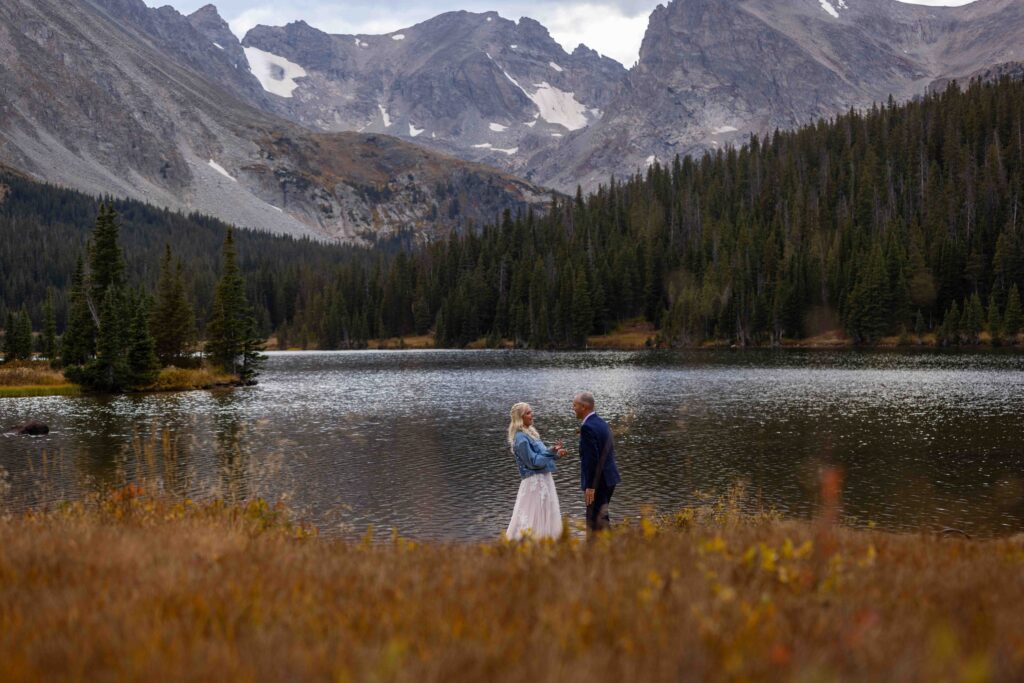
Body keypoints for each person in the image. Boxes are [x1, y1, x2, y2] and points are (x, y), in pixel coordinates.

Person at [505, 402, 567, 541]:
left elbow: (542, 456)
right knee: (534, 515)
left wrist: (556, 453)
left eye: (531, 412)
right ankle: (529, 546)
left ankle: (546, 545)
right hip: (534, 483)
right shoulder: (521, 439)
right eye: (528, 413)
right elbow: (533, 462)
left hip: (543, 480)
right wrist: (551, 451)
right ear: (520, 418)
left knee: (546, 515)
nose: (532, 415)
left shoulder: (531, 433)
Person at [572, 391, 621, 535]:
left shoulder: (587, 427)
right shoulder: (601, 422)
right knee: (602, 519)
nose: (572, 408)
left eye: (574, 405)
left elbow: (591, 459)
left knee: (593, 522)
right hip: (610, 478)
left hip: (599, 482)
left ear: (584, 407)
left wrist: (590, 486)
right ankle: (609, 551)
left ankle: (595, 553)